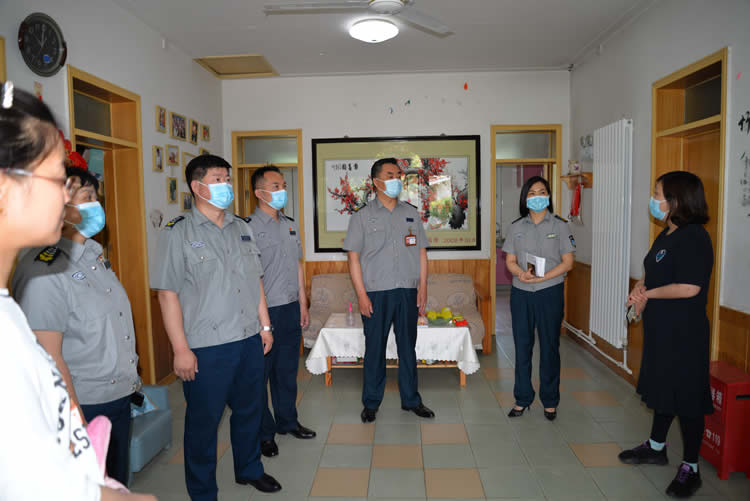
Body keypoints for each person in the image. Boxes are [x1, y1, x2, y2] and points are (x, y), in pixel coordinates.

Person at [0, 82, 155, 500]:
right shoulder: (41, 273)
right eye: (58, 180)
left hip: (117, 393)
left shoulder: (11, 309)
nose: (68, 200)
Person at [151, 154, 281, 501]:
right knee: (203, 423)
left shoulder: (242, 227)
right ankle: (203, 491)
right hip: (206, 346)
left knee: (250, 411)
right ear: (197, 187)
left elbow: (255, 281)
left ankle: (249, 469)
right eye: (218, 179)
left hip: (248, 338)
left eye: (227, 179)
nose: (226, 185)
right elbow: (167, 294)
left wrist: (265, 325)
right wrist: (180, 349)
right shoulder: (178, 232)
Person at [12, 165, 140, 486]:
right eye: (86, 197)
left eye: (96, 197)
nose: (95, 205)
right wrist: (73, 419)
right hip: (84, 404)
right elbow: (48, 356)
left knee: (115, 482)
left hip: (116, 395)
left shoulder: (93, 256)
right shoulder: (44, 269)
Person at [619, 171, 713, 498]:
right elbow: (652, 273)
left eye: (657, 194)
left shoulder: (695, 237)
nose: (653, 200)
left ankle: (691, 467)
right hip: (661, 329)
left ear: (675, 200)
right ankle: (656, 447)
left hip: (685, 334)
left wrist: (648, 294)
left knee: (687, 398)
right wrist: (639, 289)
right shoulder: (667, 233)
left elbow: (689, 287)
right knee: (663, 388)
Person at [344, 157, 434, 423]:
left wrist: (423, 287)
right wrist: (361, 295)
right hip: (375, 293)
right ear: (376, 181)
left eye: (399, 175)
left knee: (408, 348)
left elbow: (421, 252)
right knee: (375, 349)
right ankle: (371, 402)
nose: (397, 179)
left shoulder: (411, 213)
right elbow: (353, 259)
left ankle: (411, 400)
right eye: (390, 175)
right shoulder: (362, 217)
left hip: (407, 291)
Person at [248, 165, 316, 458]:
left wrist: (302, 302)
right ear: (259, 192)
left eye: (283, 185)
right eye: (276, 186)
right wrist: (263, 320)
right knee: (260, 376)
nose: (282, 191)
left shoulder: (290, 224)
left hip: (289, 308)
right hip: (263, 312)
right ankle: (265, 433)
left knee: (287, 372)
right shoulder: (247, 228)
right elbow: (250, 276)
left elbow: (297, 265)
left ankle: (288, 421)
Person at [502, 175, 575, 421]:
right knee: (522, 347)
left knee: (549, 347)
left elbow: (568, 262)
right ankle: (522, 398)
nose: (537, 197)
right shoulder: (516, 227)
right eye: (531, 193)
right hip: (521, 293)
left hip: (550, 292)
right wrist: (520, 273)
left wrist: (543, 278)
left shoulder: (560, 226)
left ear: (548, 196)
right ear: (525, 198)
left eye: (541, 192)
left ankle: (550, 400)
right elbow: (510, 261)